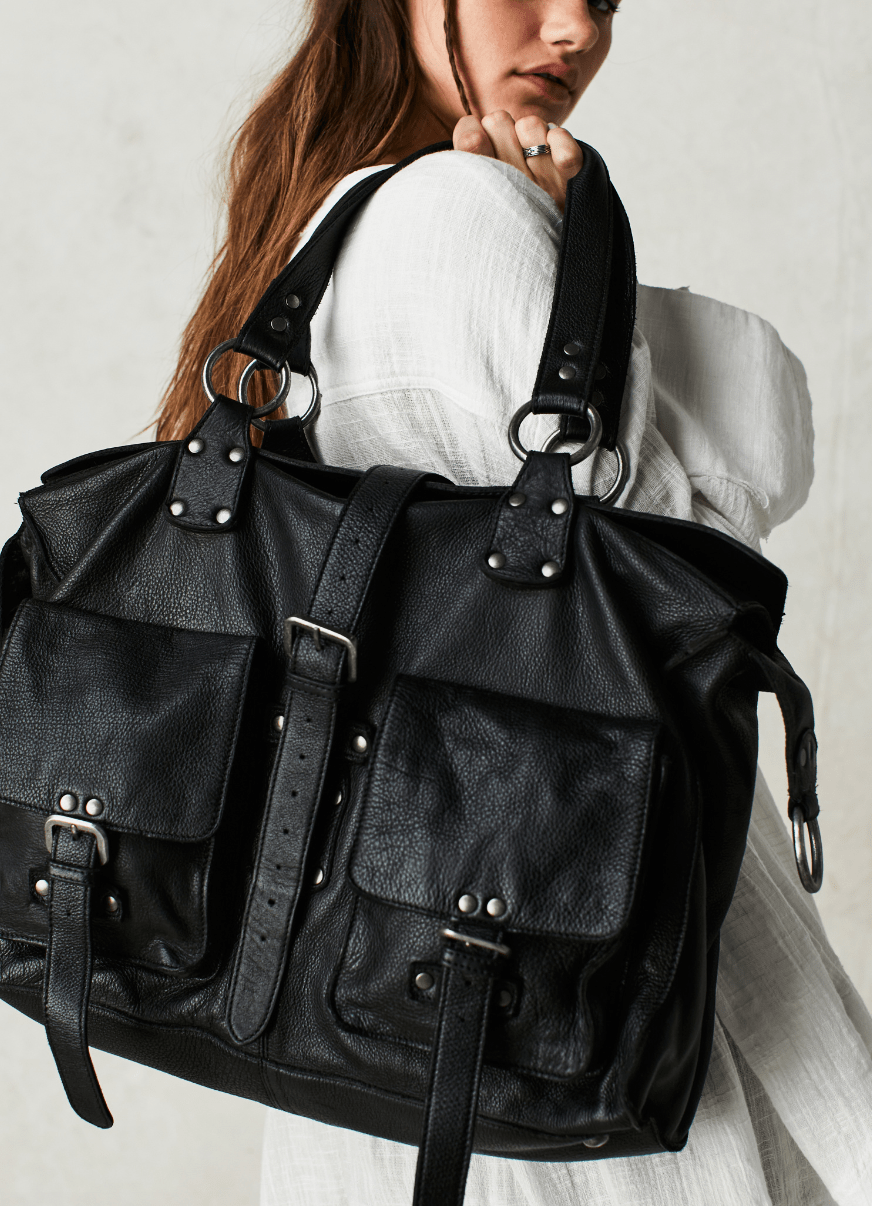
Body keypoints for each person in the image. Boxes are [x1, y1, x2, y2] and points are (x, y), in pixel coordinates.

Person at [157, 2, 872, 1203]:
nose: (573, 28)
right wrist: (561, 244)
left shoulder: (326, 216)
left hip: (388, 988)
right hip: (541, 938)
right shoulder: (460, 210)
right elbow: (681, 553)